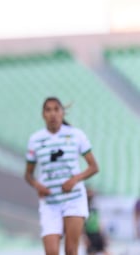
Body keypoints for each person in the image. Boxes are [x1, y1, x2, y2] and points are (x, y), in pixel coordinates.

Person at [24, 97, 99, 255]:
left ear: (62, 113)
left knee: (71, 251)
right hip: (50, 202)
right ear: (43, 114)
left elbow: (93, 167)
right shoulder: (35, 140)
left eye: (56, 109)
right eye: (48, 110)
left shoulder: (76, 135)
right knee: (51, 252)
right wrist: (37, 185)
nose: (53, 114)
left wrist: (74, 179)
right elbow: (28, 175)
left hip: (73, 199)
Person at [83, 188, 109, 255]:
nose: (91, 195)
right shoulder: (83, 208)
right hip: (89, 234)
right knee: (91, 252)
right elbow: (82, 225)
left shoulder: (95, 207)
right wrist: (85, 237)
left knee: (103, 251)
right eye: (89, 193)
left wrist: (103, 235)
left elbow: (99, 221)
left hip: (97, 233)